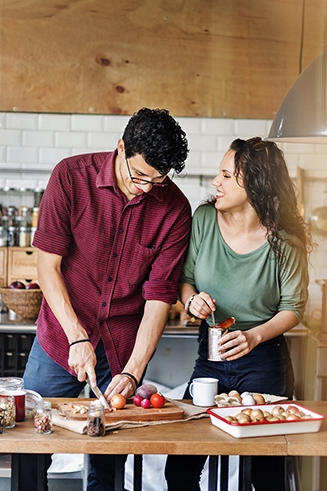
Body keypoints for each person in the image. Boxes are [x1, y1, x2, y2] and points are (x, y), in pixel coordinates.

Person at [20, 107, 192, 490]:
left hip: (122, 347)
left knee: (110, 460)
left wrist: (133, 370)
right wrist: (77, 337)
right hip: (62, 337)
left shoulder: (176, 210)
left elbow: (159, 297)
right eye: (140, 176)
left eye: (158, 180)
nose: (147, 188)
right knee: (31, 445)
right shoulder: (70, 177)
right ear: (120, 148)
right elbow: (48, 268)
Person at [164, 137, 311, 491]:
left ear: (256, 184)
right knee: (180, 469)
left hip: (263, 360)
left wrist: (254, 336)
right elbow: (184, 280)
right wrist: (191, 300)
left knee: (266, 475)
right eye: (220, 172)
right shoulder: (203, 220)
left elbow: (294, 308)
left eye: (227, 175)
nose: (216, 181)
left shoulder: (285, 240)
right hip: (210, 357)